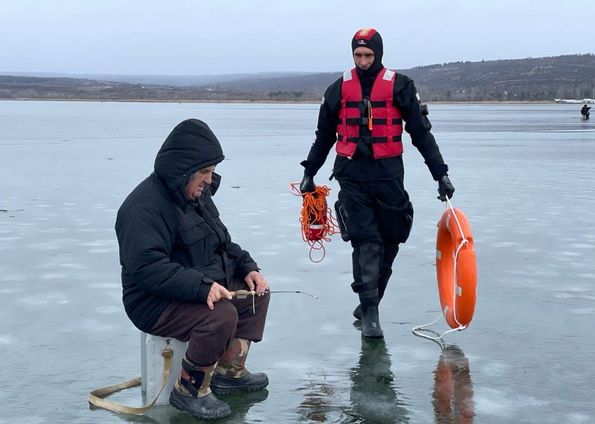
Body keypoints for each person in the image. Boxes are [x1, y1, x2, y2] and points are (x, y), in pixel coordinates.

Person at [299, 28, 455, 339]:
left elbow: (421, 135)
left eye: (368, 55)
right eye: (358, 55)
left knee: (391, 240)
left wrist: (441, 174)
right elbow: (324, 136)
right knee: (366, 242)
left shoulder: (400, 86)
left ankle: (370, 300)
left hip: (388, 176)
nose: (363, 61)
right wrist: (309, 171)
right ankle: (370, 311)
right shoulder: (338, 90)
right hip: (352, 176)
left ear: (379, 54)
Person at [115, 118, 270, 420]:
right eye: (206, 172)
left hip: (194, 285)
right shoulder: (142, 209)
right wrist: (201, 288)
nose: (210, 180)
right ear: (184, 170)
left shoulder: (196, 196)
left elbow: (223, 242)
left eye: (211, 172)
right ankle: (189, 389)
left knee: (256, 294)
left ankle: (229, 370)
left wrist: (248, 268)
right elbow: (147, 268)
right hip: (151, 301)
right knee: (221, 315)